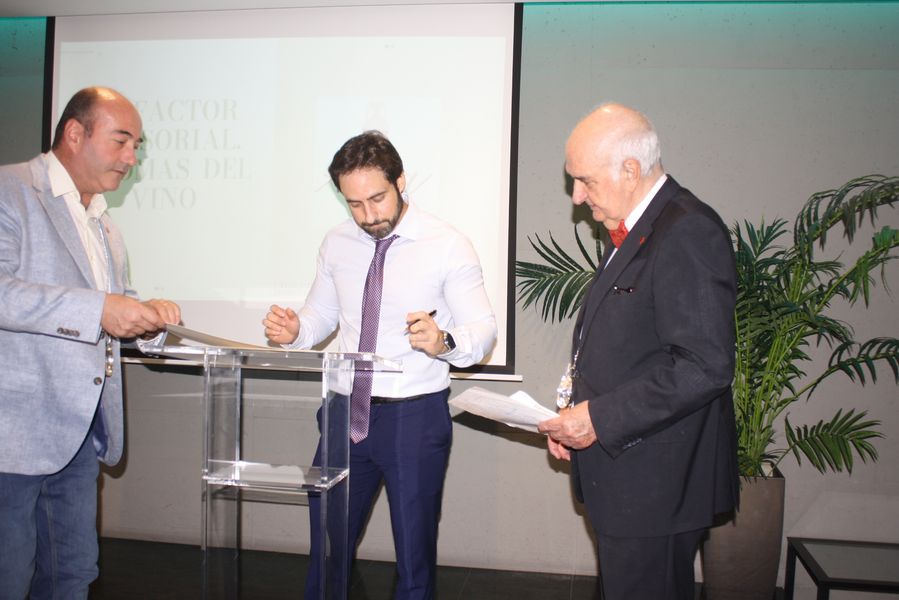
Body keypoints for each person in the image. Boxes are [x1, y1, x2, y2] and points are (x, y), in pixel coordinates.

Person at [263, 131, 497, 599]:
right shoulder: (336, 244)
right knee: (327, 545)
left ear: (400, 181)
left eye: (377, 199)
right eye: (354, 204)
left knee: (413, 553)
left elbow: (483, 330)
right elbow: (321, 317)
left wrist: (444, 341)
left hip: (413, 414)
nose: (369, 216)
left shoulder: (447, 244)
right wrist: (295, 330)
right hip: (344, 412)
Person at [537, 103, 739, 600]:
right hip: (631, 480)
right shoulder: (638, 226)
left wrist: (599, 418)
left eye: (585, 181)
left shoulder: (686, 230)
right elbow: (629, 348)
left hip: (656, 488)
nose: (577, 196)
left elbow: (705, 365)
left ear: (630, 170)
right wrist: (575, 417)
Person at [0, 86, 181, 599]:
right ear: (75, 133)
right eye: (121, 141)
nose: (131, 158)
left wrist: (149, 320)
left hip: (81, 432)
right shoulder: (10, 190)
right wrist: (100, 308)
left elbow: (115, 307)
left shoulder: (105, 224)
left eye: (136, 146)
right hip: (12, 435)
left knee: (73, 575)